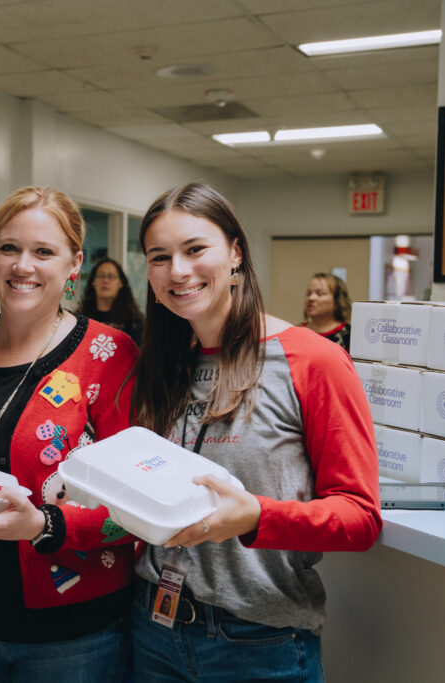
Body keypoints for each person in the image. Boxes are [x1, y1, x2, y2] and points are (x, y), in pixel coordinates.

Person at [130, 182, 382, 682]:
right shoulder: (159, 365)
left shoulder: (312, 360)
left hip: (256, 642)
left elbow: (359, 517)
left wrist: (255, 517)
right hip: (152, 631)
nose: (177, 271)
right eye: (159, 257)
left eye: (195, 249)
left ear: (236, 254)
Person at [0, 186, 138, 682]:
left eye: (43, 252)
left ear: (74, 264)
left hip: (75, 634)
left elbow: (136, 511)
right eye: (9, 248)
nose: (22, 266)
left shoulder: (110, 356)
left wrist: (45, 525)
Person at [77, 257, 144, 345]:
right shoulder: (79, 317)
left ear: (120, 283)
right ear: (93, 282)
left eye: (111, 276)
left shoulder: (134, 320)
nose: (105, 280)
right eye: (100, 276)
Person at [301, 272, 352, 352]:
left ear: (337, 301)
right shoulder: (297, 331)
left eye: (319, 294)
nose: (311, 298)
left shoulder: (349, 335)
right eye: (309, 293)